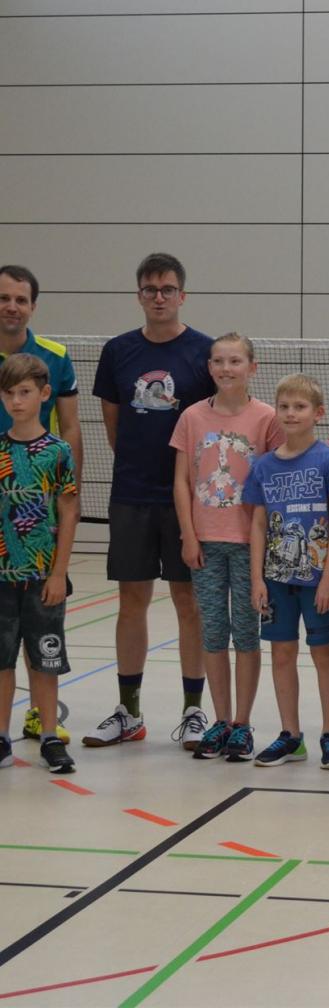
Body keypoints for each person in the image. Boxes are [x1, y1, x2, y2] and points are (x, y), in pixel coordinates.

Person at [85, 253, 214, 750]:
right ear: (138, 295)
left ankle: (193, 711)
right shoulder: (117, 351)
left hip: (188, 501)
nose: (159, 298)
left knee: (188, 602)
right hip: (132, 495)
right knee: (131, 601)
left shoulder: (204, 351)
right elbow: (113, 423)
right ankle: (129, 712)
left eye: (167, 289)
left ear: (182, 295)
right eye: (150, 289)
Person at [170, 333, 283, 762]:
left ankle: (242, 723)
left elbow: (275, 481)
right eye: (218, 361)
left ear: (252, 368)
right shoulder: (192, 417)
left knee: (247, 633)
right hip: (205, 543)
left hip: (249, 545)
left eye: (235, 361)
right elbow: (182, 481)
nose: (225, 368)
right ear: (209, 368)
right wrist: (188, 533)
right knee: (214, 631)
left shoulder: (267, 418)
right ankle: (219, 720)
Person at [243, 373, 329, 768]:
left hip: (317, 580)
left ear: (318, 413)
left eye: (300, 407)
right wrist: (257, 579)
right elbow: (258, 524)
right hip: (276, 580)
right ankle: (290, 736)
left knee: (324, 654)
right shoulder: (264, 466)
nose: (291, 413)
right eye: (285, 406)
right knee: (281, 654)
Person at [0, 265, 82, 746]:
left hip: (37, 518)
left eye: (20, 299)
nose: (11, 306)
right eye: (3, 297)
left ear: (32, 305)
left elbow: (70, 426)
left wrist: (70, 490)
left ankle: (40, 720)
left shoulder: (55, 356)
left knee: (41, 638)